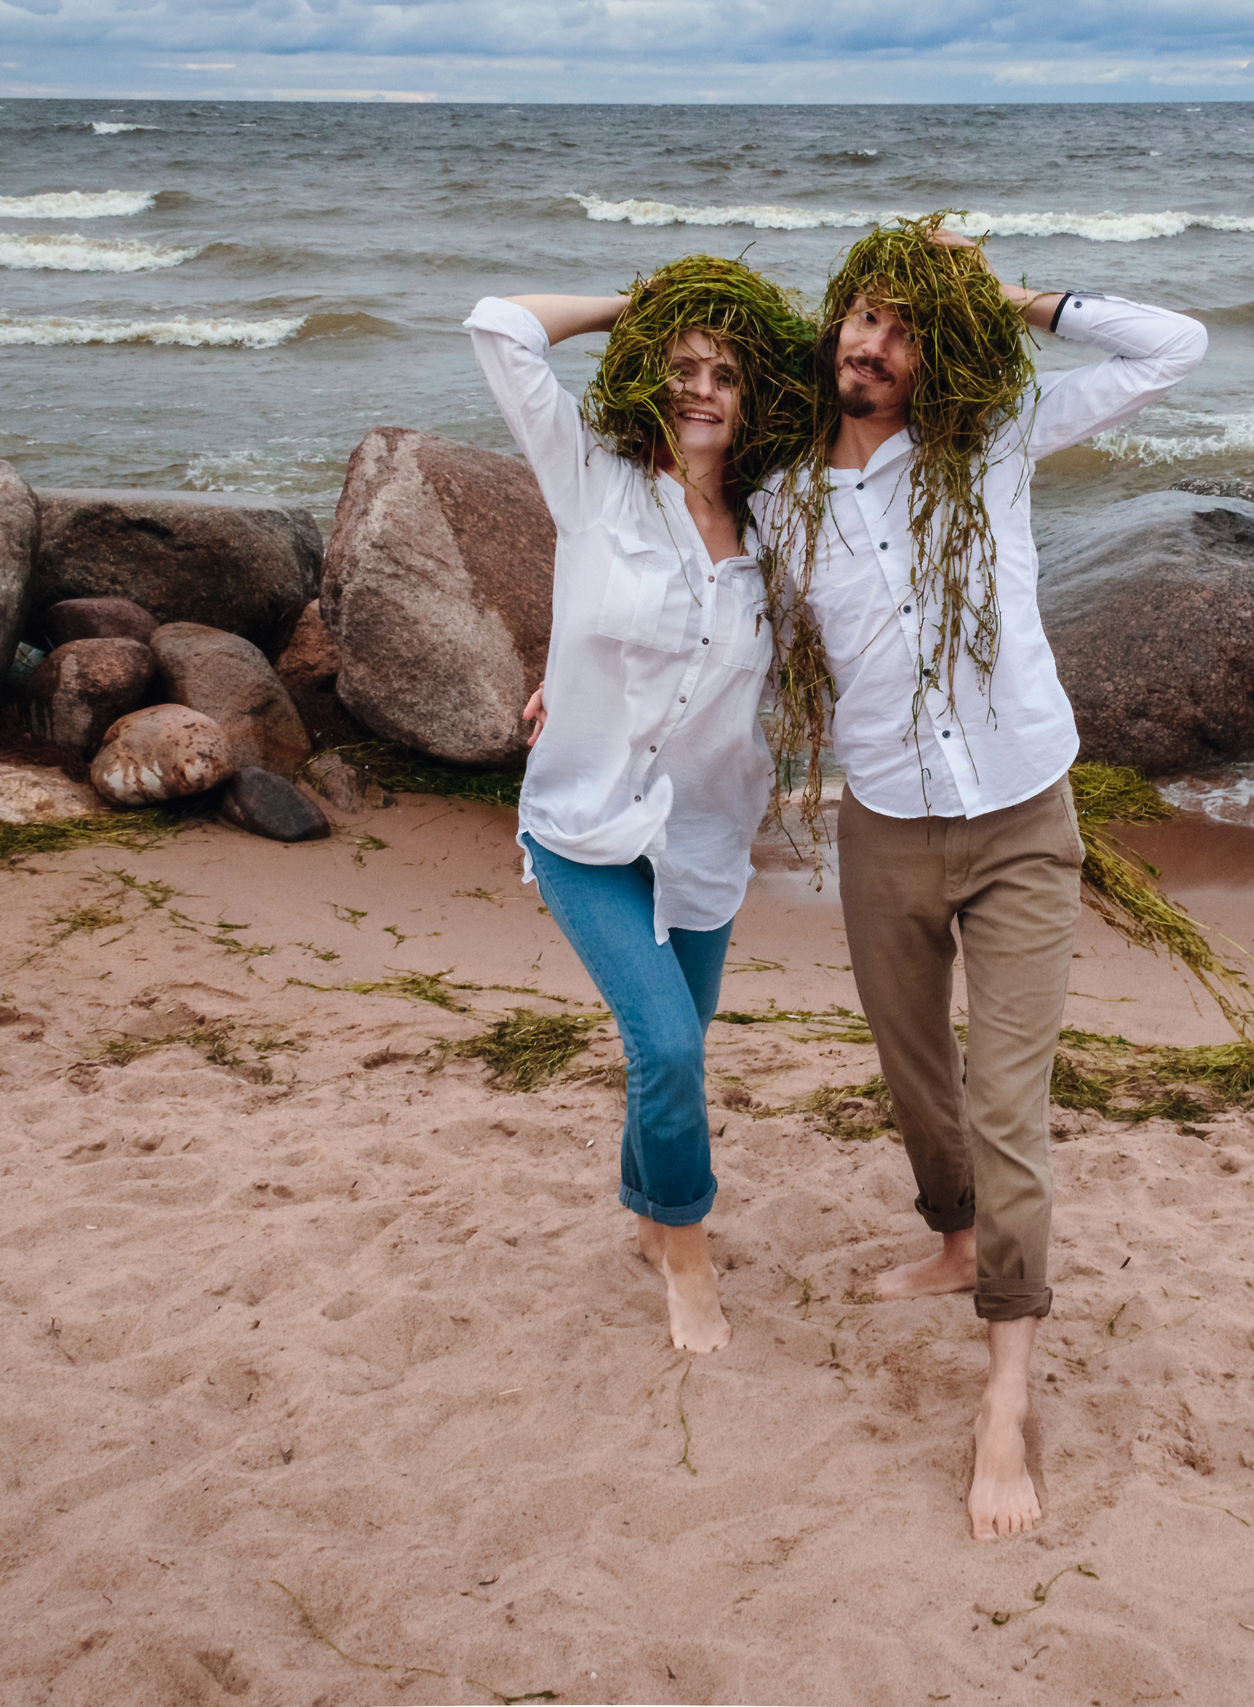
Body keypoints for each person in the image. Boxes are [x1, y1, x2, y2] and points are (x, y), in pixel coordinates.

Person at [756, 219, 1206, 1537]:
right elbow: (724, 626)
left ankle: (1004, 1389)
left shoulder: (991, 444)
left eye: (906, 326)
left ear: (936, 343)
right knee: (917, 1080)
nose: (874, 344)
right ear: (834, 324)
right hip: (884, 820)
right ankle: (955, 1240)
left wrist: (1004, 293)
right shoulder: (788, 497)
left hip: (1021, 817)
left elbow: (1176, 345)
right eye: (863, 318)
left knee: (1011, 1111)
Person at [465, 259, 814, 1354]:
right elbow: (499, 327)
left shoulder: (778, 523)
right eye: (680, 369)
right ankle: (687, 1254)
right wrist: (636, 301)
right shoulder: (596, 480)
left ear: (753, 395)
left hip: (705, 832)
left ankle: (641, 1214)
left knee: (678, 1045)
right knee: (665, 1046)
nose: (701, 389)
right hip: (582, 818)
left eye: (723, 373)